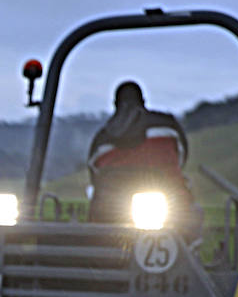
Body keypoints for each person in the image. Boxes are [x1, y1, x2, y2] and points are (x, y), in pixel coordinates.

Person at [86, 81, 201, 239]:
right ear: (143, 101)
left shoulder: (101, 140)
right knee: (191, 216)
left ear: (115, 104)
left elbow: (95, 178)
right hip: (171, 210)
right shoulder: (168, 127)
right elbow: (181, 158)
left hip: (112, 217)